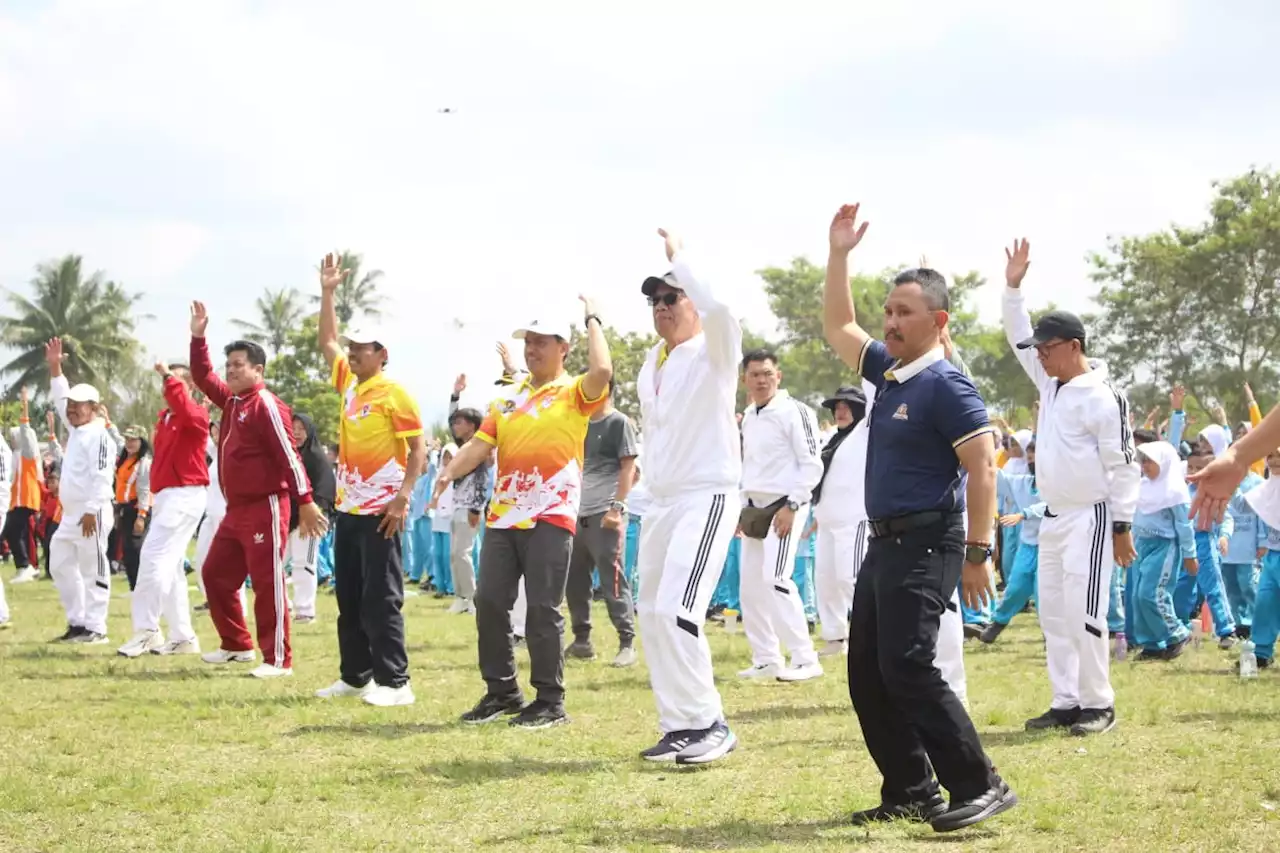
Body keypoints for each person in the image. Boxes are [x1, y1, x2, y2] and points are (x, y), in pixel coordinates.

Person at [822, 204, 1014, 832]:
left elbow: (983, 468)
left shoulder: (947, 385)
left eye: (904, 312)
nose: (891, 322)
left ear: (938, 321)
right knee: (867, 672)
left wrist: (979, 553)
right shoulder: (892, 373)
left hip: (931, 541)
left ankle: (980, 783)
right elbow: (838, 326)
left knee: (907, 663)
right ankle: (911, 789)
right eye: (889, 311)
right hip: (885, 544)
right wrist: (840, 254)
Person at [436, 295, 612, 730]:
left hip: (551, 514)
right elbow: (480, 445)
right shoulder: (507, 398)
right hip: (504, 515)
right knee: (490, 601)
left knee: (541, 609)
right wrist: (448, 474)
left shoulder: (574, 393)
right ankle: (502, 692)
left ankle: (550, 700)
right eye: (528, 343)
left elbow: (603, 371)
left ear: (563, 348)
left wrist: (591, 318)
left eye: (542, 343)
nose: (532, 350)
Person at [1002, 238, 1139, 735]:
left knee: (1086, 610)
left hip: (1093, 514)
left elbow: (1124, 465)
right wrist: (1013, 287)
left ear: (1074, 346)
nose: (1039, 355)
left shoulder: (1103, 397)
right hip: (1055, 515)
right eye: (1037, 349)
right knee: (1054, 613)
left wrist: (1122, 523)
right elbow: (1016, 331)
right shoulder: (1049, 383)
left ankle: (1098, 702)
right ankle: (1065, 700)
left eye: (1047, 347)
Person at [631, 228, 742, 765]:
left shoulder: (713, 351)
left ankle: (709, 723)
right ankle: (678, 724)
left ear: (692, 300)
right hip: (662, 501)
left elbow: (720, 311)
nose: (662, 307)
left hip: (707, 495)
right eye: (655, 300)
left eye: (671, 297)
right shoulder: (651, 364)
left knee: (679, 608)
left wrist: (684, 261)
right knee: (649, 609)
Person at [189, 301, 326, 679]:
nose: (231, 370)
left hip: (266, 504)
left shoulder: (264, 404)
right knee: (214, 574)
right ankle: (236, 645)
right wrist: (198, 337)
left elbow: (289, 455)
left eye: (239, 365)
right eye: (229, 364)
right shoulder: (234, 400)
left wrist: (307, 502)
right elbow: (202, 376)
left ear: (258, 370)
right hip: (237, 510)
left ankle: (278, 660)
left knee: (267, 582)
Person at [314, 253, 427, 707]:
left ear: (383, 354)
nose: (355, 351)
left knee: (382, 598)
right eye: (354, 345)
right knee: (350, 597)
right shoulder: (349, 385)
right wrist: (328, 293)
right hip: (349, 508)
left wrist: (402, 499)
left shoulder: (394, 393)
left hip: (383, 511)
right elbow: (327, 341)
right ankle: (356, 675)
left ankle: (396, 683)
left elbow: (417, 450)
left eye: (365, 346)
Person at [737, 349, 824, 682]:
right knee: (750, 588)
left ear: (778, 376)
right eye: (755, 374)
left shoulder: (794, 411)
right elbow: (749, 465)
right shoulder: (749, 414)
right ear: (745, 379)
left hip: (785, 506)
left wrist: (793, 505)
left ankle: (805, 658)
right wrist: (740, 507)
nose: (761, 379)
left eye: (767, 373)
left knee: (777, 578)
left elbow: (812, 463)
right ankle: (766, 659)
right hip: (754, 510)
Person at [117, 360, 211, 658]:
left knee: (152, 559)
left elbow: (184, 405)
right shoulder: (167, 419)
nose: (167, 388)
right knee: (169, 569)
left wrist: (169, 377)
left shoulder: (195, 415)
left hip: (184, 495)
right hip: (171, 496)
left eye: (175, 383)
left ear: (189, 387)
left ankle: (147, 631)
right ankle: (183, 636)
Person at [45, 338, 117, 645]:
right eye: (71, 406)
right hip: (72, 515)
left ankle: (96, 628)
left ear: (94, 409)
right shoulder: (77, 430)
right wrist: (55, 367)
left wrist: (91, 511)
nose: (72, 410)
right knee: (58, 563)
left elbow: (103, 477)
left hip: (92, 513)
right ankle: (77, 622)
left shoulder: (99, 437)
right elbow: (61, 395)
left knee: (93, 568)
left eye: (79, 406)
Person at [566, 377, 640, 667]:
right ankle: (582, 639)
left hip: (604, 513)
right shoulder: (579, 422)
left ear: (607, 388)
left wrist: (617, 507)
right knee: (575, 581)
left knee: (613, 580)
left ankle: (627, 642)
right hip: (576, 513)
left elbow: (629, 467)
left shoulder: (618, 423)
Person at [811, 383, 871, 658]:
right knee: (826, 581)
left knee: (852, 578)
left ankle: (871, 635)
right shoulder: (831, 438)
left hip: (854, 518)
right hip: (826, 520)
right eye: (838, 407)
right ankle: (835, 638)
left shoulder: (865, 433)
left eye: (848, 406)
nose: (841, 411)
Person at [1129, 440, 1197, 659]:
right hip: (1141, 545)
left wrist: (1190, 555)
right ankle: (1152, 643)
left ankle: (1177, 633)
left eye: (1150, 461)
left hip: (1164, 547)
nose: (1145, 466)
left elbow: (1184, 526)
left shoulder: (1175, 491)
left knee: (1152, 594)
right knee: (1137, 597)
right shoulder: (1143, 486)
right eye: (1143, 461)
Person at [446, 374, 491, 614]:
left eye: (461, 422)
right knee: (455, 554)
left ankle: (472, 598)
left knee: (462, 553)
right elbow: (448, 419)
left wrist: (476, 507)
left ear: (472, 425)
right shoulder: (463, 446)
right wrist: (455, 394)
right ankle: (461, 597)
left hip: (470, 507)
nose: (455, 426)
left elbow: (484, 479)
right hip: (457, 505)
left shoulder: (479, 446)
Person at [288, 413, 336, 625]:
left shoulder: (316, 458)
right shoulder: (287, 455)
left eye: (301, 428)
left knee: (304, 563)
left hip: (309, 521)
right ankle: (284, 605)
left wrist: (310, 517)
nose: (297, 433)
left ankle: (305, 610)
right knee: (275, 565)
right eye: (293, 428)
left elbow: (325, 491)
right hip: (286, 520)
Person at [6, 388, 43, 585]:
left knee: (11, 530)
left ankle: (24, 566)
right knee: (16, 532)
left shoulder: (28, 453)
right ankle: (26, 566)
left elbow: (26, 431)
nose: (12, 439)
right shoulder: (15, 456)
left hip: (26, 498)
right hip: (17, 499)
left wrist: (24, 407)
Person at [111, 426, 152, 591]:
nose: (129, 443)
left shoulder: (144, 462)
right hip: (124, 509)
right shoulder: (125, 458)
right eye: (127, 439)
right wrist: (108, 424)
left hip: (136, 509)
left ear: (141, 441)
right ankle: (134, 586)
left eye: (133, 440)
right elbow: (116, 439)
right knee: (127, 551)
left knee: (135, 550)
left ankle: (141, 587)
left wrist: (141, 516)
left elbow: (144, 490)